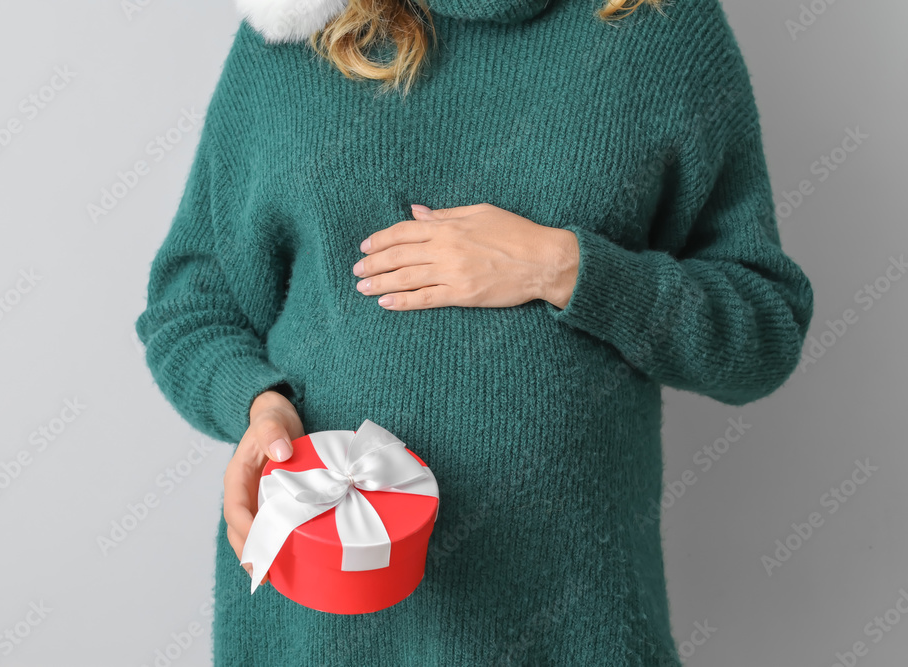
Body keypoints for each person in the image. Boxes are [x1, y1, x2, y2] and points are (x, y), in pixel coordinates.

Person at [134, 0, 815, 664]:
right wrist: (256, 403)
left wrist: (566, 267)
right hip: (318, 617)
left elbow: (763, 328)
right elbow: (193, 302)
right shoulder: (299, 29)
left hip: (567, 620)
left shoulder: (660, 26)